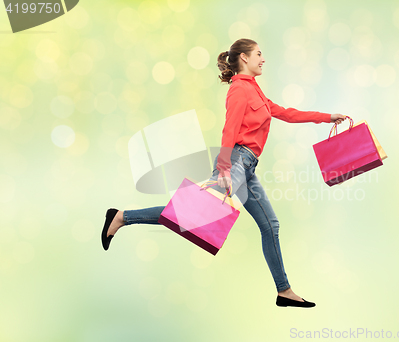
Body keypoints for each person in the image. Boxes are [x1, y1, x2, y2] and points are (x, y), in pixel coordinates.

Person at [101, 38, 346, 308]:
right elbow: (230, 129)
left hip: (248, 166)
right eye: (259, 54)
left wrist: (327, 116)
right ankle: (122, 217)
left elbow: (287, 113)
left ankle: (284, 291)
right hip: (236, 162)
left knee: (270, 225)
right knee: (192, 214)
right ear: (244, 58)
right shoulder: (239, 90)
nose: (263, 59)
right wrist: (226, 168)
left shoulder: (256, 91)